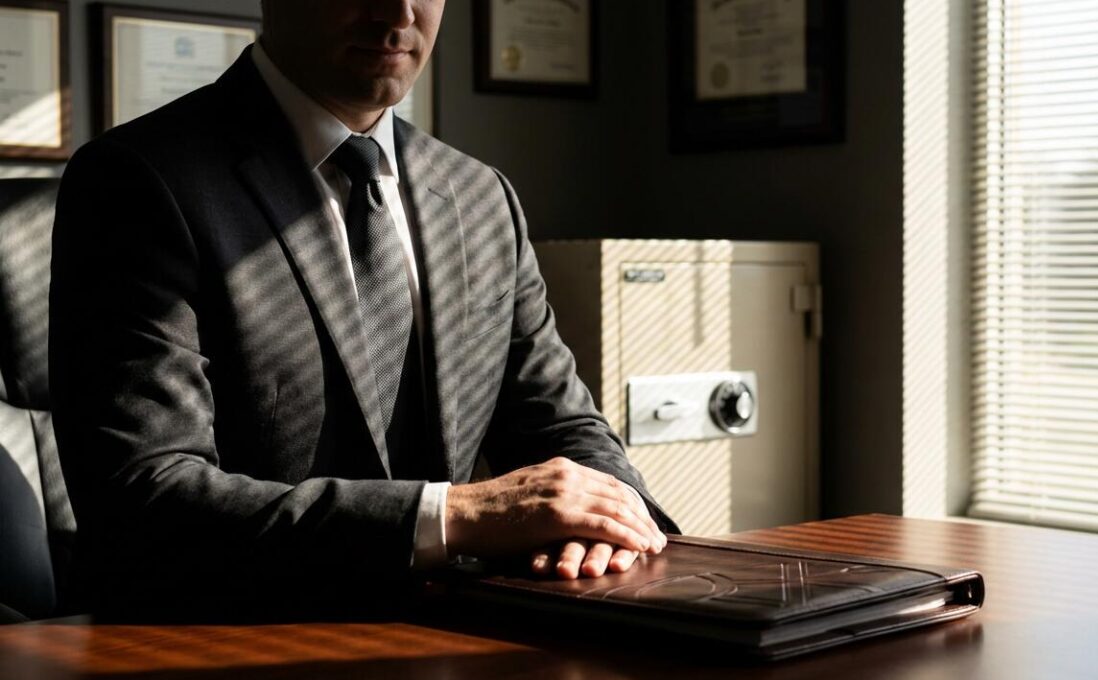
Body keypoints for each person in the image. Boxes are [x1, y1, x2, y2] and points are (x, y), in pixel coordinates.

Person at [49, 0, 674, 619]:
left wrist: (609, 519)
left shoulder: (481, 197)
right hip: (219, 635)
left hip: (456, 632)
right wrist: (453, 516)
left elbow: (562, 426)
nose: (398, 14)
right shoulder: (137, 180)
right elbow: (146, 497)